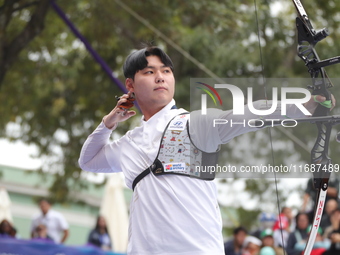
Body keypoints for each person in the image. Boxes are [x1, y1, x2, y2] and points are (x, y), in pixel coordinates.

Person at [78, 46, 335, 255]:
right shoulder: (129, 143)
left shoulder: (194, 123)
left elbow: (250, 112)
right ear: (130, 85)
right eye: (148, 72)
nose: (160, 77)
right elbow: (88, 160)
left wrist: (308, 104)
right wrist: (109, 121)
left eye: (166, 70)